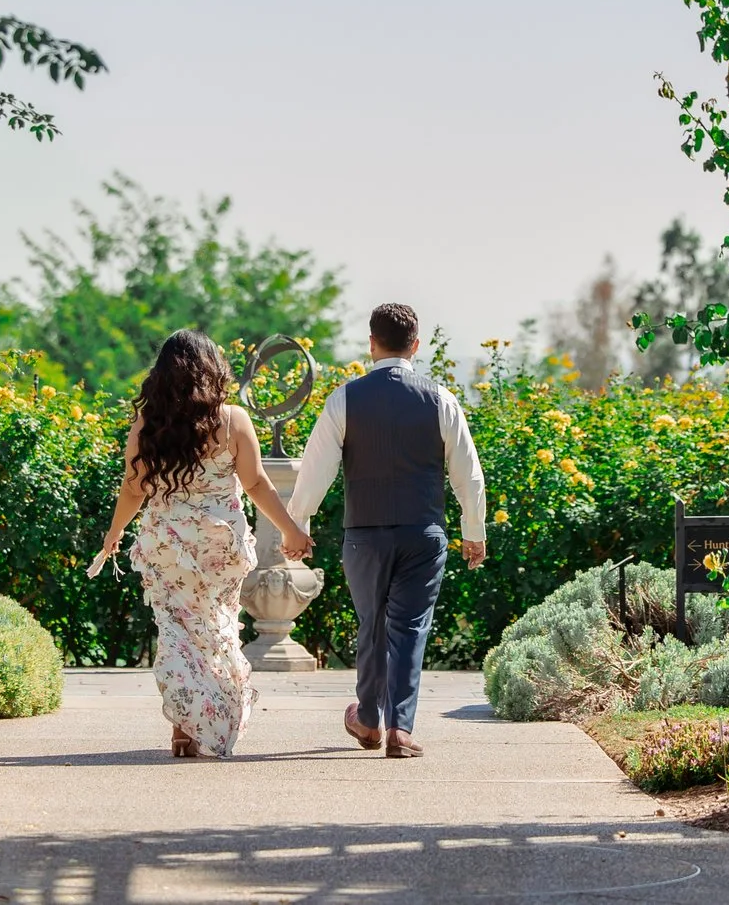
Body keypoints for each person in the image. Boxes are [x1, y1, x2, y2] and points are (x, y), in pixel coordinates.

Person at [91, 329, 315, 759]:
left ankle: (183, 727)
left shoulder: (148, 424)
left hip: (168, 545)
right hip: (219, 545)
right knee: (215, 629)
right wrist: (290, 529)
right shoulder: (233, 420)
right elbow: (256, 483)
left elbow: (134, 487)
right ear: (213, 371)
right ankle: (207, 718)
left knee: (177, 632)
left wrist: (114, 532)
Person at [285, 302, 487, 759]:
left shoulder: (344, 399)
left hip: (364, 534)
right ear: (415, 345)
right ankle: (400, 728)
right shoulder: (441, 399)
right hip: (423, 532)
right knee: (410, 628)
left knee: (371, 625)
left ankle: (368, 719)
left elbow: (315, 470)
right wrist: (473, 531)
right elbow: (468, 473)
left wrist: (298, 525)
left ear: (371, 343)